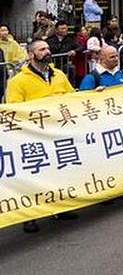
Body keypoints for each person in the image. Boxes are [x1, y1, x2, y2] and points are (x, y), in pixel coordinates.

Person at [5, 39, 77, 233]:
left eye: (47, 48)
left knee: (59, 171)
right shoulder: (18, 81)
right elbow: (14, 111)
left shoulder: (59, 75)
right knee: (35, 176)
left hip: (59, 134)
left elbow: (73, 99)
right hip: (33, 137)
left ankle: (60, 207)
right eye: (41, 49)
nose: (47, 51)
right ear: (30, 54)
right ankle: (30, 216)